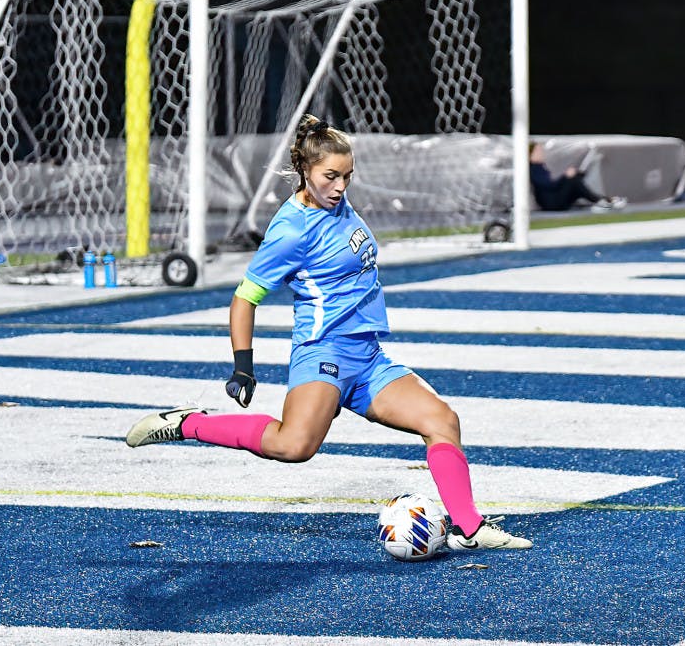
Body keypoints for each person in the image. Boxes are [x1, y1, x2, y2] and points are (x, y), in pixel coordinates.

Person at [126, 114, 532, 551]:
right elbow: (244, 298)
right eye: (331, 176)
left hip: (368, 356)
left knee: (442, 421)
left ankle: (470, 529)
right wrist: (243, 366)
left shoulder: (339, 204)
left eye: (347, 176)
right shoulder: (290, 230)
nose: (340, 186)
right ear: (305, 170)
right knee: (294, 445)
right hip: (325, 353)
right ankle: (189, 423)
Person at [530, 141, 626, 213]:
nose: (542, 152)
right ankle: (602, 201)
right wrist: (566, 177)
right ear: (530, 154)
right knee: (573, 181)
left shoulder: (539, 167)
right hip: (551, 205)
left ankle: (601, 201)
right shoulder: (533, 169)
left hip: (553, 202)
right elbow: (549, 186)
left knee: (576, 181)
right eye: (538, 150)